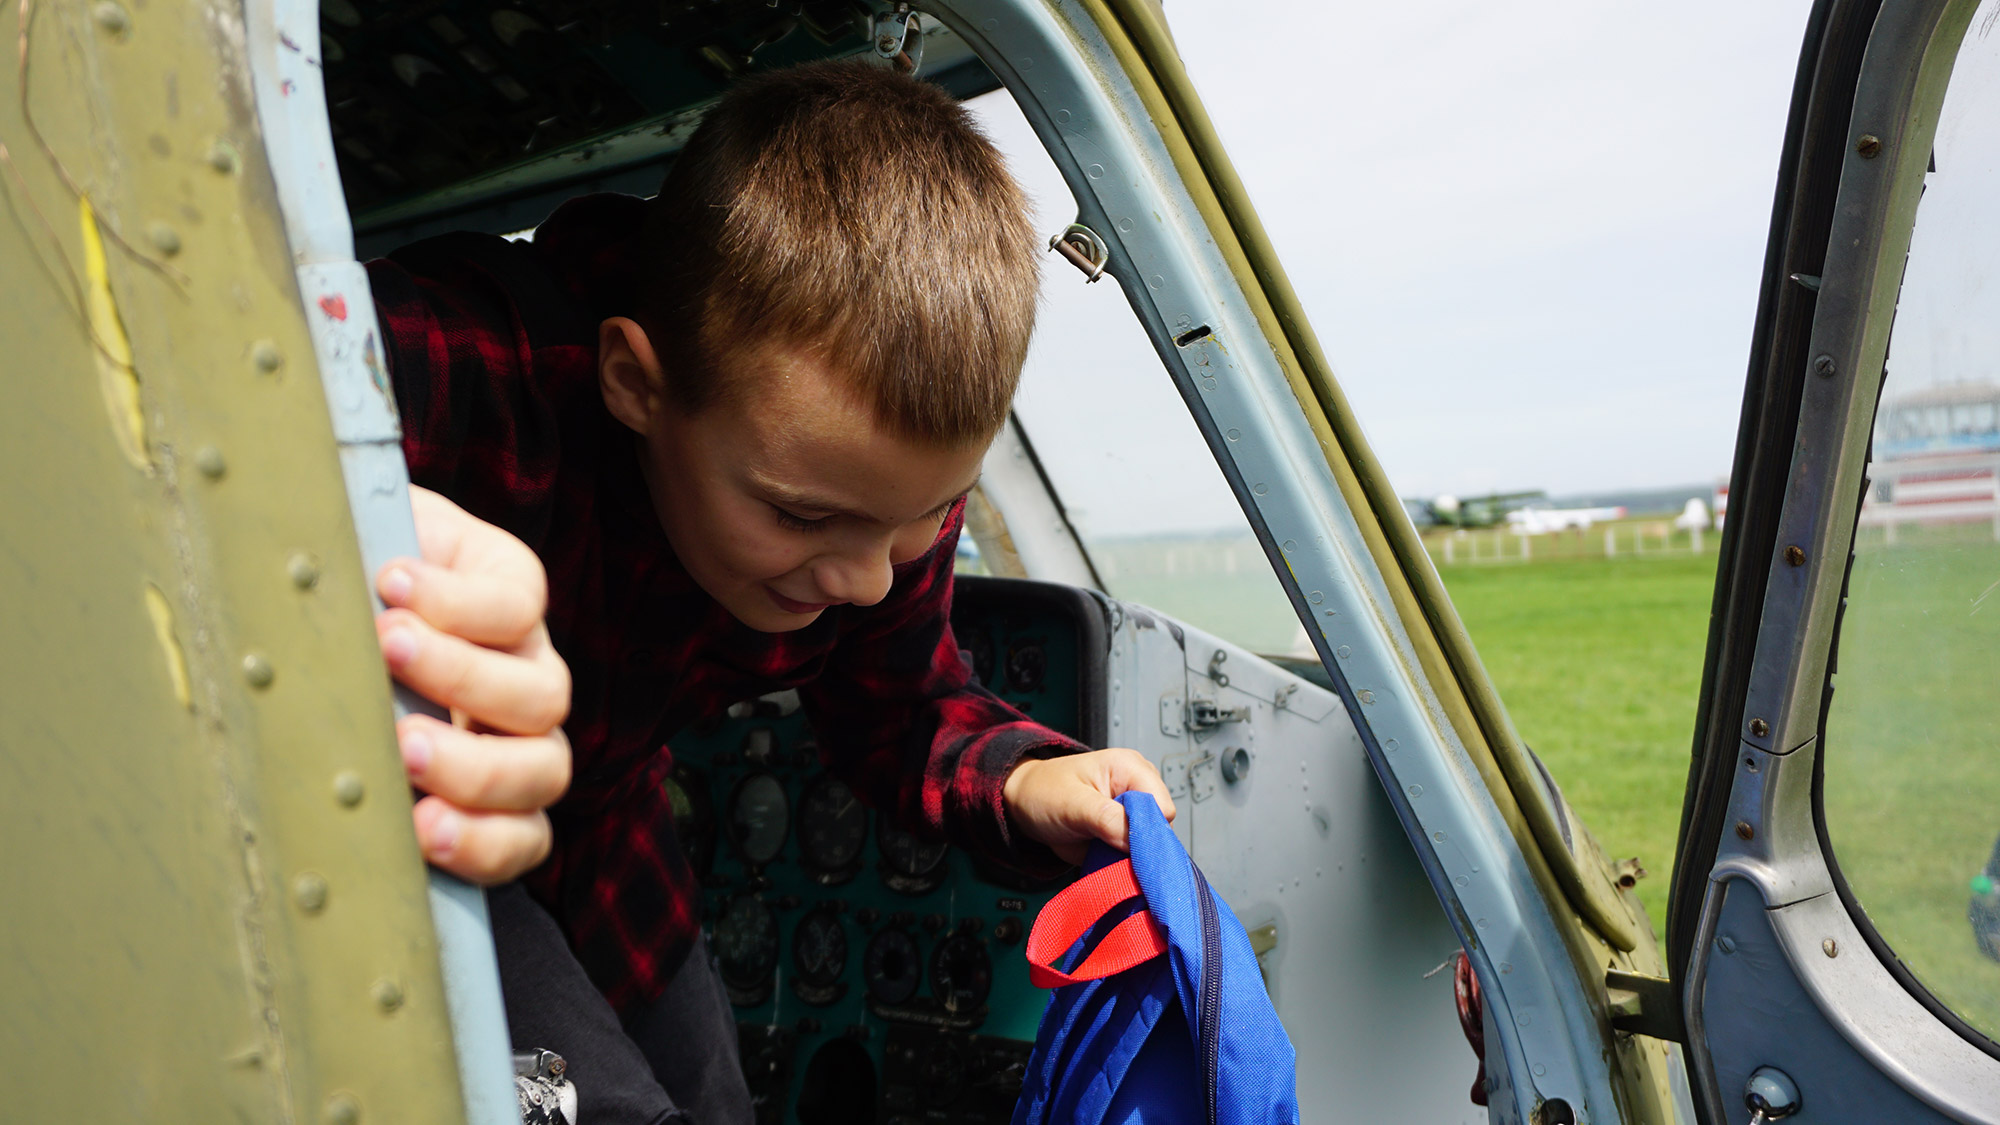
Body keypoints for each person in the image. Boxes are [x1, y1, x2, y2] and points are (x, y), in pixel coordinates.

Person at [366, 59, 1175, 1125]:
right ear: (635, 383)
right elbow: (200, 378)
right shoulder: (470, 366)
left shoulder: (872, 505)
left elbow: (898, 706)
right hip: (406, 824)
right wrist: (341, 514)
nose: (868, 579)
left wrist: (1025, 780)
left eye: (932, 513)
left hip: (605, 836)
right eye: (799, 518)